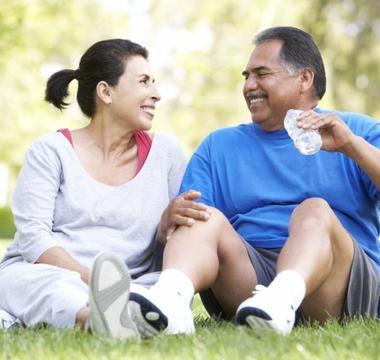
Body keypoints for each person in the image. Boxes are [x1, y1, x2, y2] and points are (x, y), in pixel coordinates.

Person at [126, 26, 380, 336]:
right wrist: (171, 222)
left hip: (336, 282)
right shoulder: (219, 146)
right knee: (202, 216)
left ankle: (283, 297)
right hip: (252, 283)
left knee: (313, 210)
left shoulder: (356, 131)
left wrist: (350, 146)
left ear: (304, 79)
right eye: (246, 76)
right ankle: (168, 304)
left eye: (261, 74)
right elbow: (190, 233)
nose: (249, 86)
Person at [0, 39, 210, 338]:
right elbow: (34, 240)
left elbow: (178, 241)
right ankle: (97, 319)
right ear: (106, 92)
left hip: (136, 283)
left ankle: (119, 312)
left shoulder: (167, 152)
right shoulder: (51, 151)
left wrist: (167, 227)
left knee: (163, 287)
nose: (156, 94)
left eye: (154, 83)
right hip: (52, 273)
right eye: (144, 82)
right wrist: (97, 284)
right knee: (38, 284)